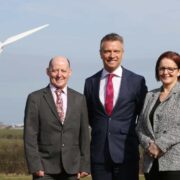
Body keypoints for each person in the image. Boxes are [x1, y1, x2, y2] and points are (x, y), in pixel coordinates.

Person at [84, 33, 147, 180]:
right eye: (107, 51)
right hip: (99, 156)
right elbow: (89, 116)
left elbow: (142, 115)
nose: (112, 55)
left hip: (127, 154)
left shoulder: (137, 81)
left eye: (116, 51)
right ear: (100, 54)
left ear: (122, 53)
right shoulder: (90, 82)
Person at [24, 56, 90, 180]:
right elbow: (30, 136)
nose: (59, 75)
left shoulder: (80, 99)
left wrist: (85, 165)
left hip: (72, 168)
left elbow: (84, 135)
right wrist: (35, 165)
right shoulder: (35, 99)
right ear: (47, 71)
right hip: (44, 169)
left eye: (63, 71)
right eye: (55, 70)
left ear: (70, 72)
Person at [136, 51, 180, 180]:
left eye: (170, 68)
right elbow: (140, 127)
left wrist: (160, 145)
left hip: (175, 164)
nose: (166, 72)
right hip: (151, 163)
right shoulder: (149, 96)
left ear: (178, 71)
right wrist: (149, 145)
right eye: (162, 68)